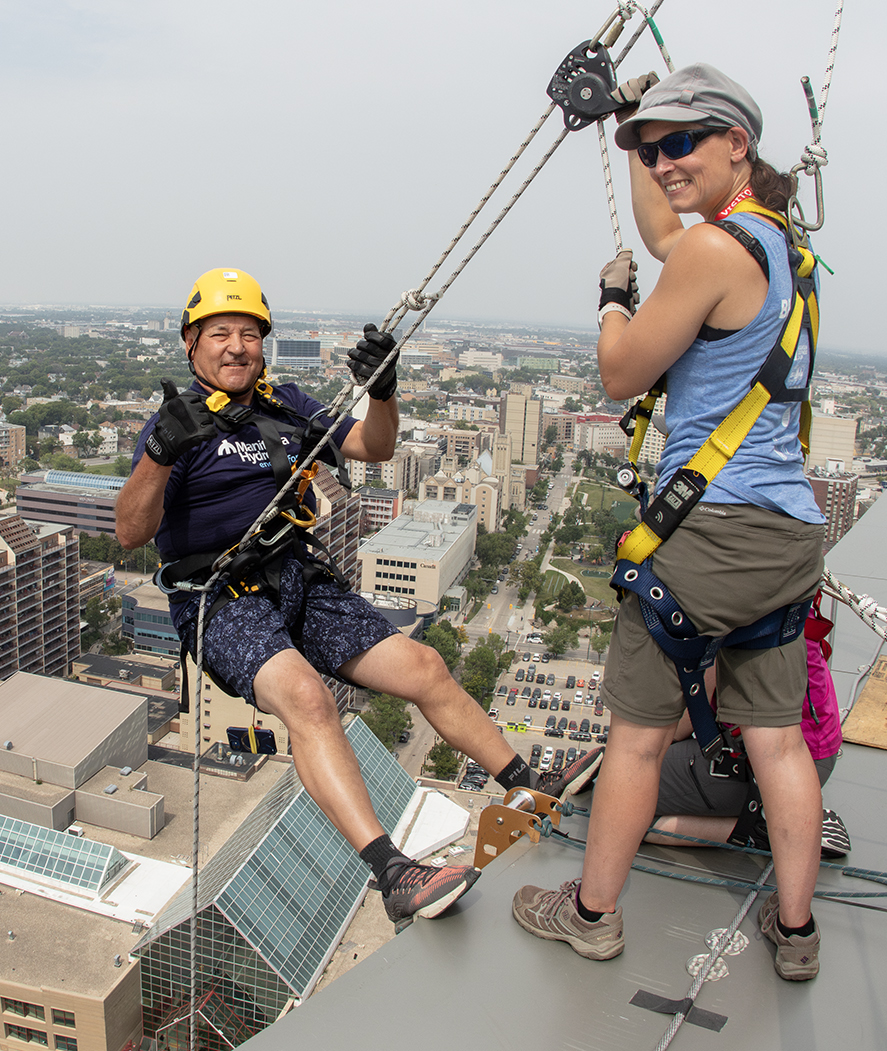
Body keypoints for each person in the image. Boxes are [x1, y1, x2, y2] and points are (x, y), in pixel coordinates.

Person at [115, 268, 599, 931]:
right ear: (191, 345)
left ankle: (525, 780)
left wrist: (386, 392)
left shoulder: (285, 402)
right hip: (221, 601)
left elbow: (375, 444)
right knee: (309, 698)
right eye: (220, 333)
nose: (236, 346)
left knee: (423, 667)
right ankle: (393, 872)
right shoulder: (175, 427)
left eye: (249, 333)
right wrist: (162, 453)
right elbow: (130, 531)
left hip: (298, 578)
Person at [511, 65, 829, 980]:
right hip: (784, 533)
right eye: (653, 150)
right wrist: (635, 123)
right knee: (775, 737)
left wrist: (612, 302)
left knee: (638, 737)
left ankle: (593, 912)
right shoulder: (780, 249)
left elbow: (621, 373)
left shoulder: (710, 254)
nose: (662, 162)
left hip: (706, 535)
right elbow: (667, 227)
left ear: (739, 144)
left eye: (681, 142)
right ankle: (797, 930)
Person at [645, 607, 851, 859]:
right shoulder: (785, 591)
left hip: (772, 769)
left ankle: (766, 829)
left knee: (621, 804)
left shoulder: (732, 608)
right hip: (811, 758)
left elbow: (687, 720)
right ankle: (784, 816)